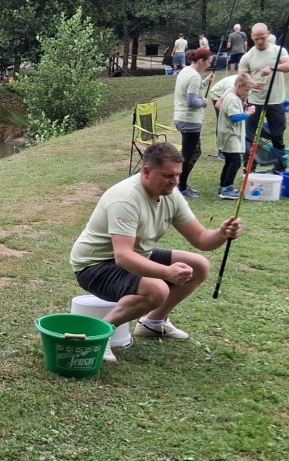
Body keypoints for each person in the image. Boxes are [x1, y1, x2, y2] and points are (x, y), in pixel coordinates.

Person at [70, 143, 242, 362]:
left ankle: (153, 323)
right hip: (94, 266)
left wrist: (221, 233)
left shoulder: (171, 195)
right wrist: (166, 272)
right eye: (168, 175)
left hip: (136, 256)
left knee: (199, 265)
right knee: (157, 289)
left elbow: (201, 239)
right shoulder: (125, 197)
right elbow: (123, 256)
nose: (175, 181)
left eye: (178, 175)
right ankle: (100, 334)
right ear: (146, 172)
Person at [239, 23, 289, 174]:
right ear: (251, 37)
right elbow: (242, 77)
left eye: (262, 38)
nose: (259, 41)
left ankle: (280, 167)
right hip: (254, 101)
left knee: (277, 134)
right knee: (249, 135)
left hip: (275, 100)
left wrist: (273, 67)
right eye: (256, 38)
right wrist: (251, 84)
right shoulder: (247, 56)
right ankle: (249, 167)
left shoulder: (278, 51)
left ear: (268, 34)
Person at [172, 46, 215, 198]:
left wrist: (204, 82)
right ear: (201, 61)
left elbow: (189, 90)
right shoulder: (194, 76)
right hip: (189, 120)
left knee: (191, 152)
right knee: (189, 154)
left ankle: (180, 183)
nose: (209, 65)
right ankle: (181, 186)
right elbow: (192, 101)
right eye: (208, 62)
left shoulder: (185, 71)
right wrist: (204, 102)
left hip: (181, 118)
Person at [215, 73, 256, 200]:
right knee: (235, 162)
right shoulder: (232, 99)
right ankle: (227, 188)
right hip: (230, 136)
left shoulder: (231, 96)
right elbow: (235, 117)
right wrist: (248, 113)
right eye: (246, 90)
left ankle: (223, 186)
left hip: (229, 135)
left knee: (229, 162)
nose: (247, 93)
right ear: (239, 85)